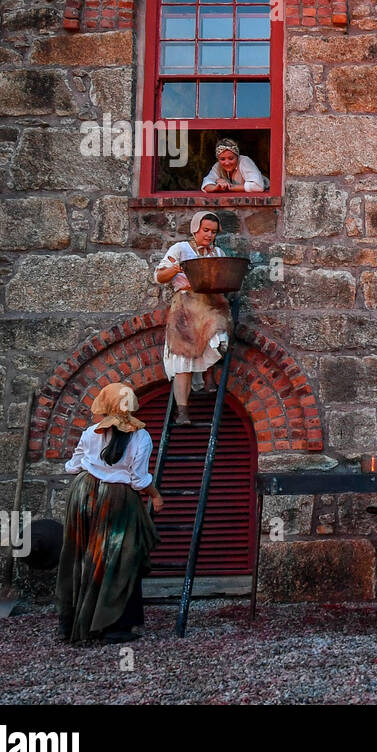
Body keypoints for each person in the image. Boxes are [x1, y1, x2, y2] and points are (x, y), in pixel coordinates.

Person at [56, 382, 162, 644]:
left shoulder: (92, 432)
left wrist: (95, 469)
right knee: (119, 558)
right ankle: (112, 625)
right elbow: (138, 480)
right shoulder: (141, 436)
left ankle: (71, 622)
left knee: (80, 555)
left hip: (83, 495)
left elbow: (73, 466)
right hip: (117, 499)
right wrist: (156, 496)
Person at [154, 211, 230, 426]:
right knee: (183, 360)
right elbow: (159, 276)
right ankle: (183, 411)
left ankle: (209, 374)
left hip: (210, 302)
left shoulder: (217, 251)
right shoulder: (180, 249)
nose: (209, 235)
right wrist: (177, 268)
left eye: (213, 232)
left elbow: (223, 276)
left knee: (218, 336)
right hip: (186, 305)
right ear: (195, 229)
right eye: (205, 230)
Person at [201, 138, 266, 193]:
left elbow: (258, 186)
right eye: (222, 159)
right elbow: (206, 184)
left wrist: (228, 187)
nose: (227, 163)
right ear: (218, 159)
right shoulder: (218, 166)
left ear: (237, 156)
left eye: (231, 158)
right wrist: (217, 187)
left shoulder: (244, 161)